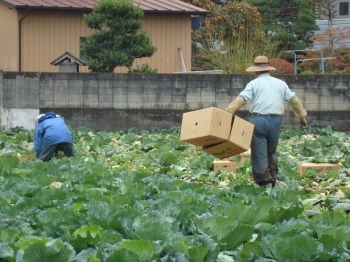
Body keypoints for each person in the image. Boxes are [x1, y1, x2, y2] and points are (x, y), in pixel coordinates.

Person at [225, 55, 307, 187]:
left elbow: (241, 100)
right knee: (271, 152)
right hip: (276, 121)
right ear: (269, 70)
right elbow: (294, 100)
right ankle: (273, 178)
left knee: (259, 153)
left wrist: (227, 113)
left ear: (255, 71)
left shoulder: (254, 84)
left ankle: (263, 181)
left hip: (259, 120)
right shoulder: (281, 84)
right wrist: (302, 117)